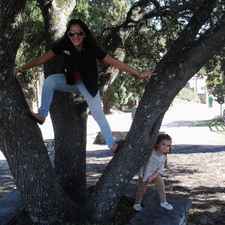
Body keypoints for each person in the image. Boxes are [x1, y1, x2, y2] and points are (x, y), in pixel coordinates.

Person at [16, 19, 155, 152]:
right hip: (72, 81)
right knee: (50, 81)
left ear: (84, 34)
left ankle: (112, 145)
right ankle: (42, 115)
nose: (75, 36)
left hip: (88, 85)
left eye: (79, 33)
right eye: (72, 33)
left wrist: (138, 73)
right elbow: (42, 58)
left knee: (97, 114)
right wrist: (22, 68)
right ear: (68, 34)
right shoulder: (64, 44)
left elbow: (115, 62)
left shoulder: (92, 48)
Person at [133, 133, 173, 211]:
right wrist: (147, 177)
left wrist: (153, 177)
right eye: (163, 144)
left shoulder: (164, 156)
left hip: (154, 174)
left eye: (168, 145)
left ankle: (163, 202)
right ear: (157, 144)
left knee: (161, 186)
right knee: (142, 189)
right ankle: (137, 203)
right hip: (144, 174)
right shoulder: (150, 153)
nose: (165, 147)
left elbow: (160, 169)